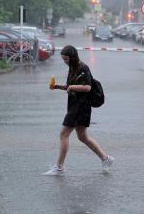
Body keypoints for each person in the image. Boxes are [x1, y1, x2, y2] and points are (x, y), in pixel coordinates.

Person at [43, 45, 114, 176]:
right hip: (74, 105)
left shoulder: (83, 68)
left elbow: (87, 87)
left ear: (73, 57)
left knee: (64, 134)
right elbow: (70, 87)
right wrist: (57, 86)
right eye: (63, 59)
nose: (65, 62)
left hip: (81, 106)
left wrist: (72, 87)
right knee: (83, 137)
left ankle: (59, 167)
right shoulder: (73, 68)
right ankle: (106, 159)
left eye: (66, 59)